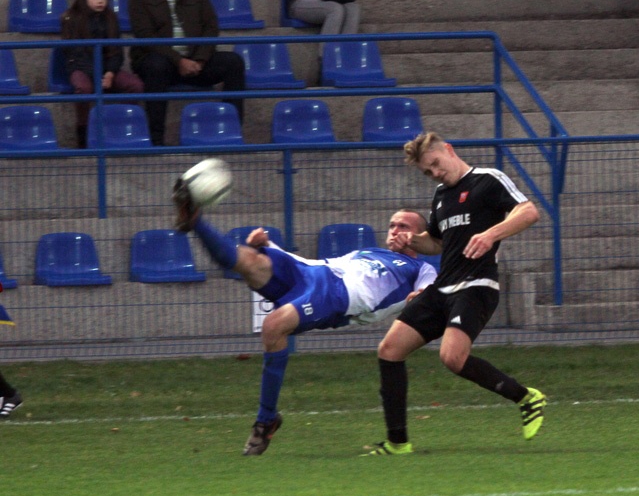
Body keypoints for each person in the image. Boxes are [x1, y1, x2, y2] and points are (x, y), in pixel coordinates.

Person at [170, 185, 437, 455]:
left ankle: (266, 420)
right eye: (392, 225)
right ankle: (196, 221)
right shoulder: (369, 251)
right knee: (247, 260)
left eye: (403, 226)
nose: (395, 230)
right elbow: (325, 264)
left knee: (273, 326)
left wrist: (421, 296)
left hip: (337, 297)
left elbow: (431, 292)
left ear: (421, 236)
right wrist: (272, 246)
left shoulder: (421, 268)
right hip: (311, 274)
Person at [364, 132, 546, 456]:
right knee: (389, 349)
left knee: (451, 357)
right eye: (427, 171)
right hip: (442, 288)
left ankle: (526, 397)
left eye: (435, 164)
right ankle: (398, 442)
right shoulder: (440, 195)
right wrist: (412, 241)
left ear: (449, 149)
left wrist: (491, 234)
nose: (434, 173)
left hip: (476, 285)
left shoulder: (487, 179)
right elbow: (436, 243)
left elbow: (529, 212)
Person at [128, 0, 245, 146]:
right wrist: (178, 60)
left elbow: (210, 26)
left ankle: (231, 131)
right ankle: (156, 140)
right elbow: (146, 36)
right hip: (160, 60)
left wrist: (199, 59)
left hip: (195, 59)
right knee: (156, 66)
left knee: (234, 62)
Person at [61, 0, 145, 148]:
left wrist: (110, 73)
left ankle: (122, 126)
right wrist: (98, 74)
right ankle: (83, 133)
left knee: (135, 86)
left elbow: (116, 52)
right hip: (81, 68)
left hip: (107, 70)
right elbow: (76, 54)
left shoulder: (111, 18)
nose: (100, 1)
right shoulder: (71, 19)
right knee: (84, 89)